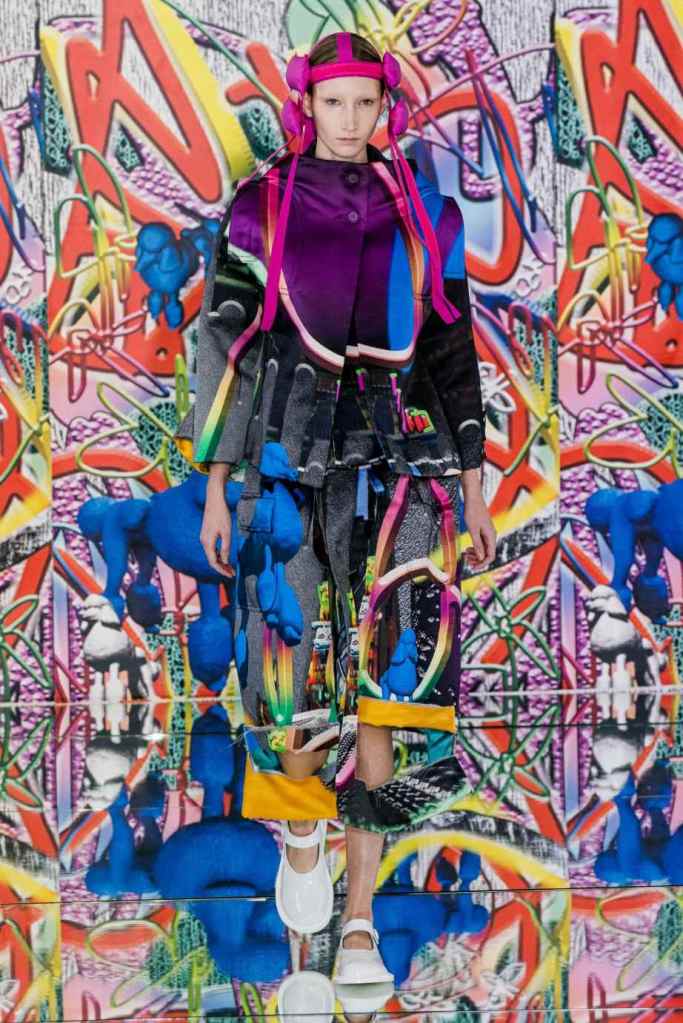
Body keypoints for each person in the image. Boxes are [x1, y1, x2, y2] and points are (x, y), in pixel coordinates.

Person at [174, 30, 497, 992]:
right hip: (287, 460)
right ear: (305, 105)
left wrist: (473, 483)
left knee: (393, 677)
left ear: (384, 105)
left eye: (365, 102)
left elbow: (451, 348)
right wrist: (218, 483)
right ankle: (303, 832)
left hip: (405, 462)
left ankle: (358, 916)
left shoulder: (424, 209)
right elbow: (226, 341)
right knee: (290, 673)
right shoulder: (261, 206)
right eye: (333, 102)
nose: (349, 120)